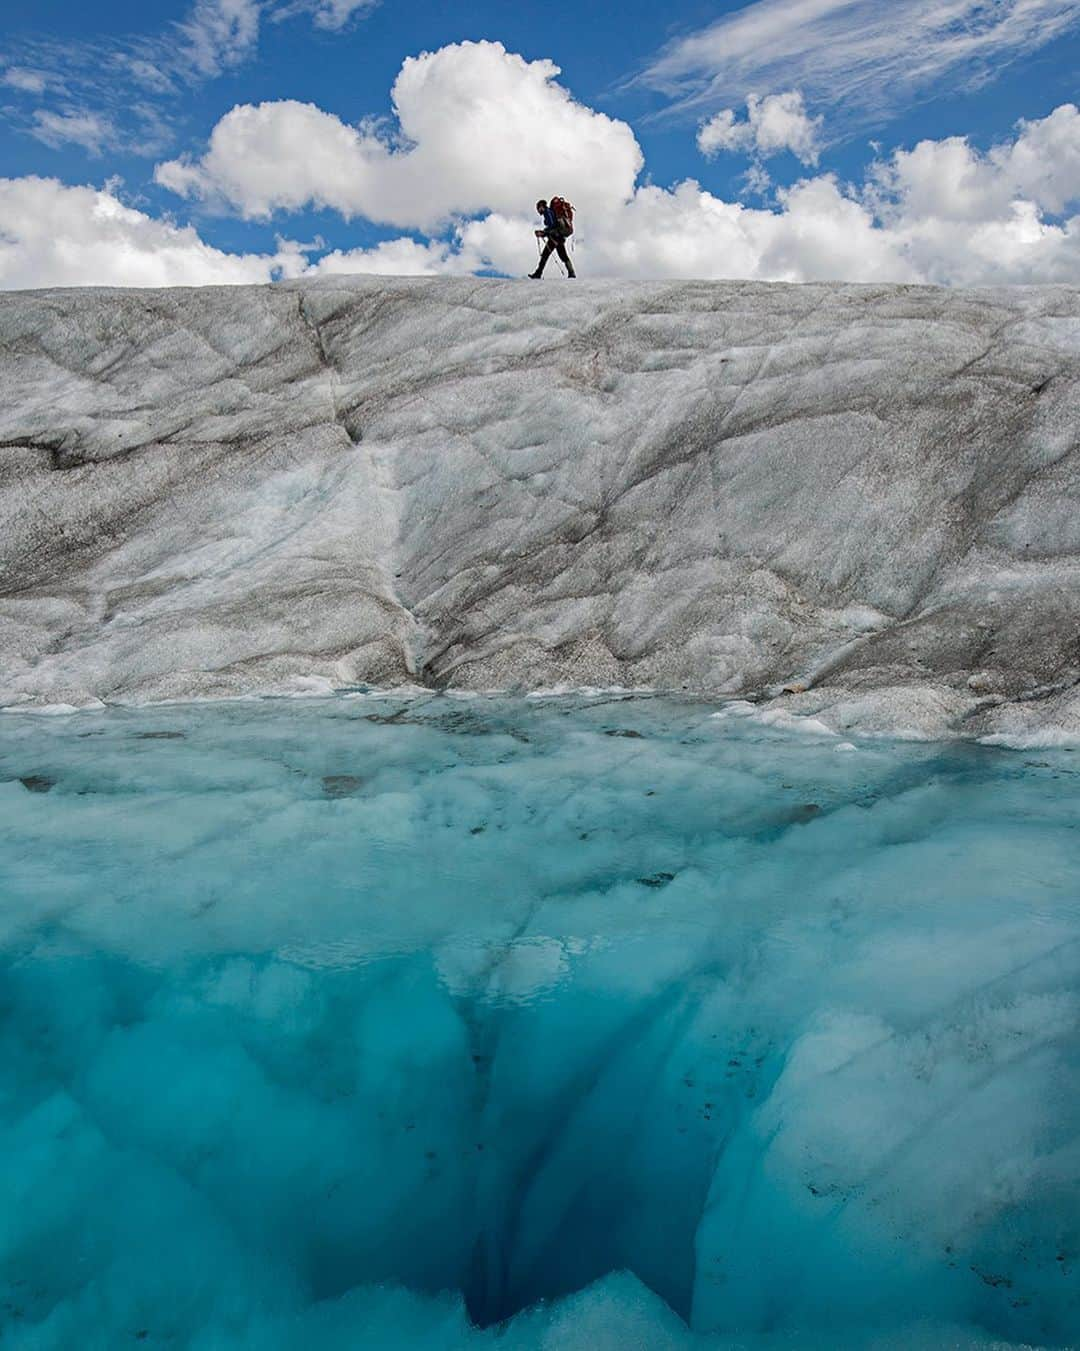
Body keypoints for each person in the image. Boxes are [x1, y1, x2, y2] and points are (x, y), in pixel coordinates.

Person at [529, 199, 575, 279]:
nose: (538, 210)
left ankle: (538, 274)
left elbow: (552, 227)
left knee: (545, 255)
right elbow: (553, 227)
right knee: (563, 256)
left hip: (555, 238)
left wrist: (543, 233)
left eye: (538, 208)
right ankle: (571, 273)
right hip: (559, 237)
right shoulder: (550, 212)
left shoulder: (547, 212)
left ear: (542, 207)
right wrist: (544, 233)